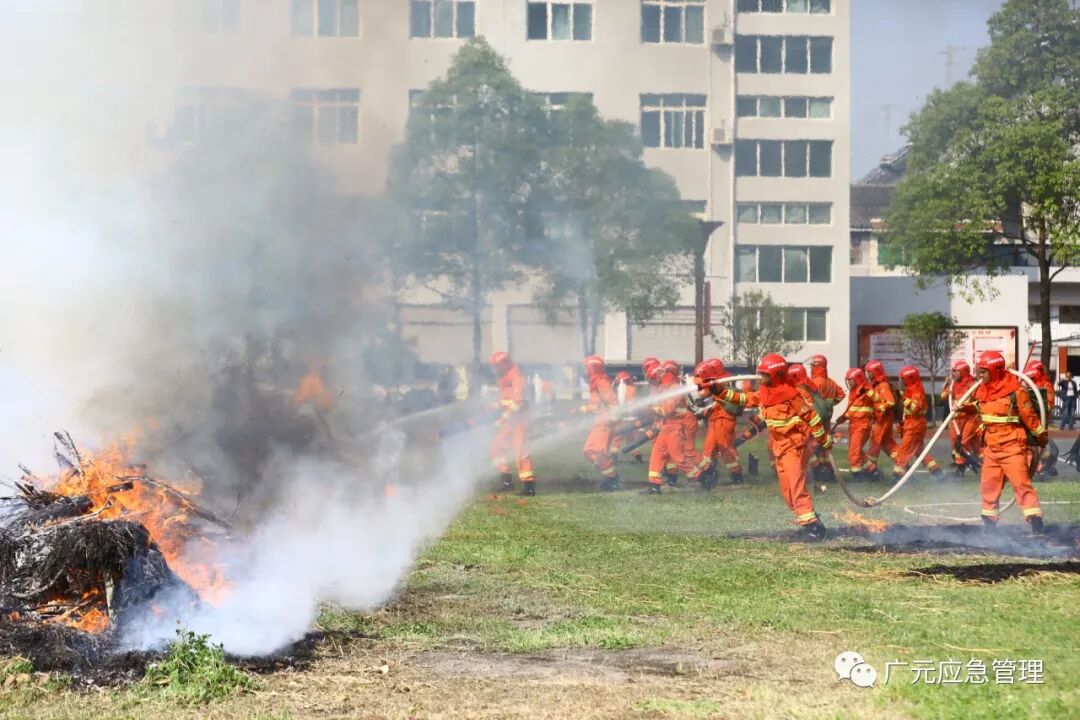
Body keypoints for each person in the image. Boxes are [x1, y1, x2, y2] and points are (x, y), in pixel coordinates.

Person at [707, 354, 832, 539]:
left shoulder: (792, 395)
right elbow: (742, 399)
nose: (762, 378)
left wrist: (824, 440)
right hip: (779, 447)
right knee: (787, 489)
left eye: (765, 375)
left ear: (777, 375)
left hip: (793, 446)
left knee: (796, 486)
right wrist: (718, 390)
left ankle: (814, 527)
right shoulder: (765, 393)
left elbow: (812, 418)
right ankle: (806, 519)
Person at [973, 351, 1046, 534]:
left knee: (1021, 484)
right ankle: (989, 526)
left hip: (1012, 445)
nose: (980, 375)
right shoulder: (982, 390)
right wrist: (962, 408)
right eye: (979, 371)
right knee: (988, 485)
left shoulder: (1016, 391)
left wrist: (1041, 437)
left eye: (983, 372)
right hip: (991, 446)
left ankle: (1036, 524)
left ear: (995, 371)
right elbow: (979, 408)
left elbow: (1030, 418)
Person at [643, 360, 697, 494]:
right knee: (657, 454)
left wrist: (653, 408)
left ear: (659, 376)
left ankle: (702, 477)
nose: (653, 383)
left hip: (675, 427)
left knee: (678, 457)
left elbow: (667, 410)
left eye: (653, 379)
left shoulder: (674, 388)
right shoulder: (664, 387)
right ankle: (654, 486)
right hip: (667, 426)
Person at [689, 358, 742, 489]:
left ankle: (737, 477)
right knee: (708, 449)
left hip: (724, 421)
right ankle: (710, 475)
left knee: (725, 449)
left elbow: (720, 401)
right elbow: (707, 399)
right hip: (715, 420)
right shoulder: (716, 384)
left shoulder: (723, 385)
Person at [488, 352, 536, 496]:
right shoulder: (505, 379)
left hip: (519, 420)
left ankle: (529, 487)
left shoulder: (517, 378)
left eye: (497, 366)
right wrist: (495, 405)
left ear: (505, 363)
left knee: (520, 451)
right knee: (496, 448)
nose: (495, 369)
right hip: (510, 420)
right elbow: (507, 400)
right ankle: (507, 483)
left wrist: (502, 419)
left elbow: (517, 404)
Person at [891, 365, 946, 481]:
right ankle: (938, 473)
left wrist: (902, 397)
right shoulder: (911, 389)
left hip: (915, 425)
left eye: (903, 379)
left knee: (903, 450)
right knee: (920, 451)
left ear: (909, 378)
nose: (901, 382)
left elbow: (915, 408)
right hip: (912, 424)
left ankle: (898, 476)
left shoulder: (916, 390)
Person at [788, 363, 837, 483]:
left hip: (807, 427)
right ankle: (822, 473)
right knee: (814, 452)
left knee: (804, 453)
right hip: (816, 425)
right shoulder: (810, 388)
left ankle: (814, 474)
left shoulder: (799, 391)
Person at [580, 355, 621, 491]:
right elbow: (596, 405)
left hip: (605, 422)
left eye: (586, 367)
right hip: (599, 421)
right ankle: (608, 473)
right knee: (588, 451)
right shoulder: (595, 381)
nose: (585, 369)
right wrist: (581, 409)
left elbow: (612, 402)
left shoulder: (602, 381)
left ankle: (612, 479)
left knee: (599, 451)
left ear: (593, 368)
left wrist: (611, 420)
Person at [834, 368, 880, 481]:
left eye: (850, 380)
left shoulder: (866, 387)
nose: (849, 382)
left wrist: (867, 391)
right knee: (856, 450)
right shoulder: (853, 390)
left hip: (862, 424)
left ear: (857, 379)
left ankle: (857, 476)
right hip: (854, 424)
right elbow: (852, 408)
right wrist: (844, 417)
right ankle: (872, 469)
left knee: (853, 451)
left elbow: (878, 399)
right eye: (848, 380)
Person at [941, 360, 981, 475]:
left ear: (963, 372)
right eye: (952, 371)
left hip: (970, 418)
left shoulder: (972, 384)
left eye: (955, 371)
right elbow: (943, 396)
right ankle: (961, 466)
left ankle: (972, 463)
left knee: (966, 442)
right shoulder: (953, 384)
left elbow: (977, 400)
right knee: (955, 442)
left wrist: (963, 405)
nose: (953, 374)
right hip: (956, 418)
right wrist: (947, 386)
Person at [864, 359, 899, 467]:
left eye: (869, 372)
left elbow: (890, 402)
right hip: (881, 419)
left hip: (883, 420)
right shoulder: (876, 385)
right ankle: (902, 462)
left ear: (875, 372)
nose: (867, 374)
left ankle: (871, 468)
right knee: (887, 444)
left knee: (875, 442)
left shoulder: (883, 385)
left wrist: (877, 408)